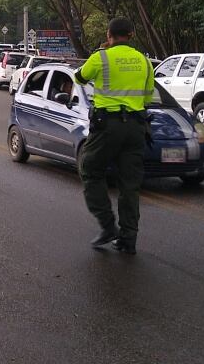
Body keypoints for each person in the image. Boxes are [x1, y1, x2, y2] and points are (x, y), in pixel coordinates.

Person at [73, 17, 154, 255]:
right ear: (131, 34)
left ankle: (108, 225)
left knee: (89, 169)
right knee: (130, 184)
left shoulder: (101, 57)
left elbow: (79, 77)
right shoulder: (145, 61)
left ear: (109, 36)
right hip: (136, 127)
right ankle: (129, 239)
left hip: (107, 126)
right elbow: (148, 97)